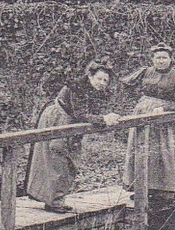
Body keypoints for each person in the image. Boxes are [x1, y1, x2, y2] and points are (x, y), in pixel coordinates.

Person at [26, 58, 119, 213]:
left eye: (105, 80)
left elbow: (87, 113)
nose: (102, 83)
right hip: (57, 119)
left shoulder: (93, 90)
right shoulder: (77, 87)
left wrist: (105, 118)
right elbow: (80, 113)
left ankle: (56, 199)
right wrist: (103, 119)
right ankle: (54, 202)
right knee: (57, 159)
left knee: (68, 160)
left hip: (69, 121)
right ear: (90, 76)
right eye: (99, 79)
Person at [120, 43, 175, 203]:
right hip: (142, 115)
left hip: (163, 120)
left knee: (162, 152)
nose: (161, 61)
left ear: (170, 59)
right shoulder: (145, 72)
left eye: (164, 57)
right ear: (153, 59)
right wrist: (139, 101)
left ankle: (165, 189)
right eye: (158, 58)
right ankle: (142, 188)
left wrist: (165, 107)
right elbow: (126, 84)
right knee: (141, 149)